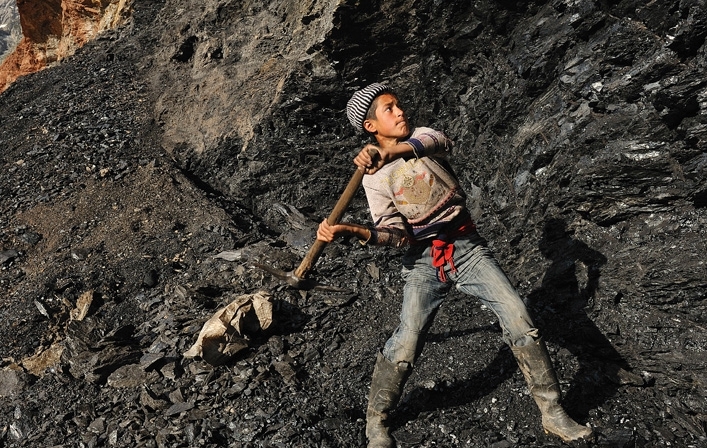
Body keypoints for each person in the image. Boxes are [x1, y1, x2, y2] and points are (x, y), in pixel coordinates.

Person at [316, 82, 593, 447]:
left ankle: (553, 413)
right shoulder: (373, 178)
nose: (400, 112)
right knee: (407, 341)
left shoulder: (421, 137)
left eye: (399, 104)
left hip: (467, 248)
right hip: (423, 260)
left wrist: (391, 151)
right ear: (370, 126)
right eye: (389, 109)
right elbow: (397, 235)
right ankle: (376, 422)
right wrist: (353, 230)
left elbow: (441, 142)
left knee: (518, 316)